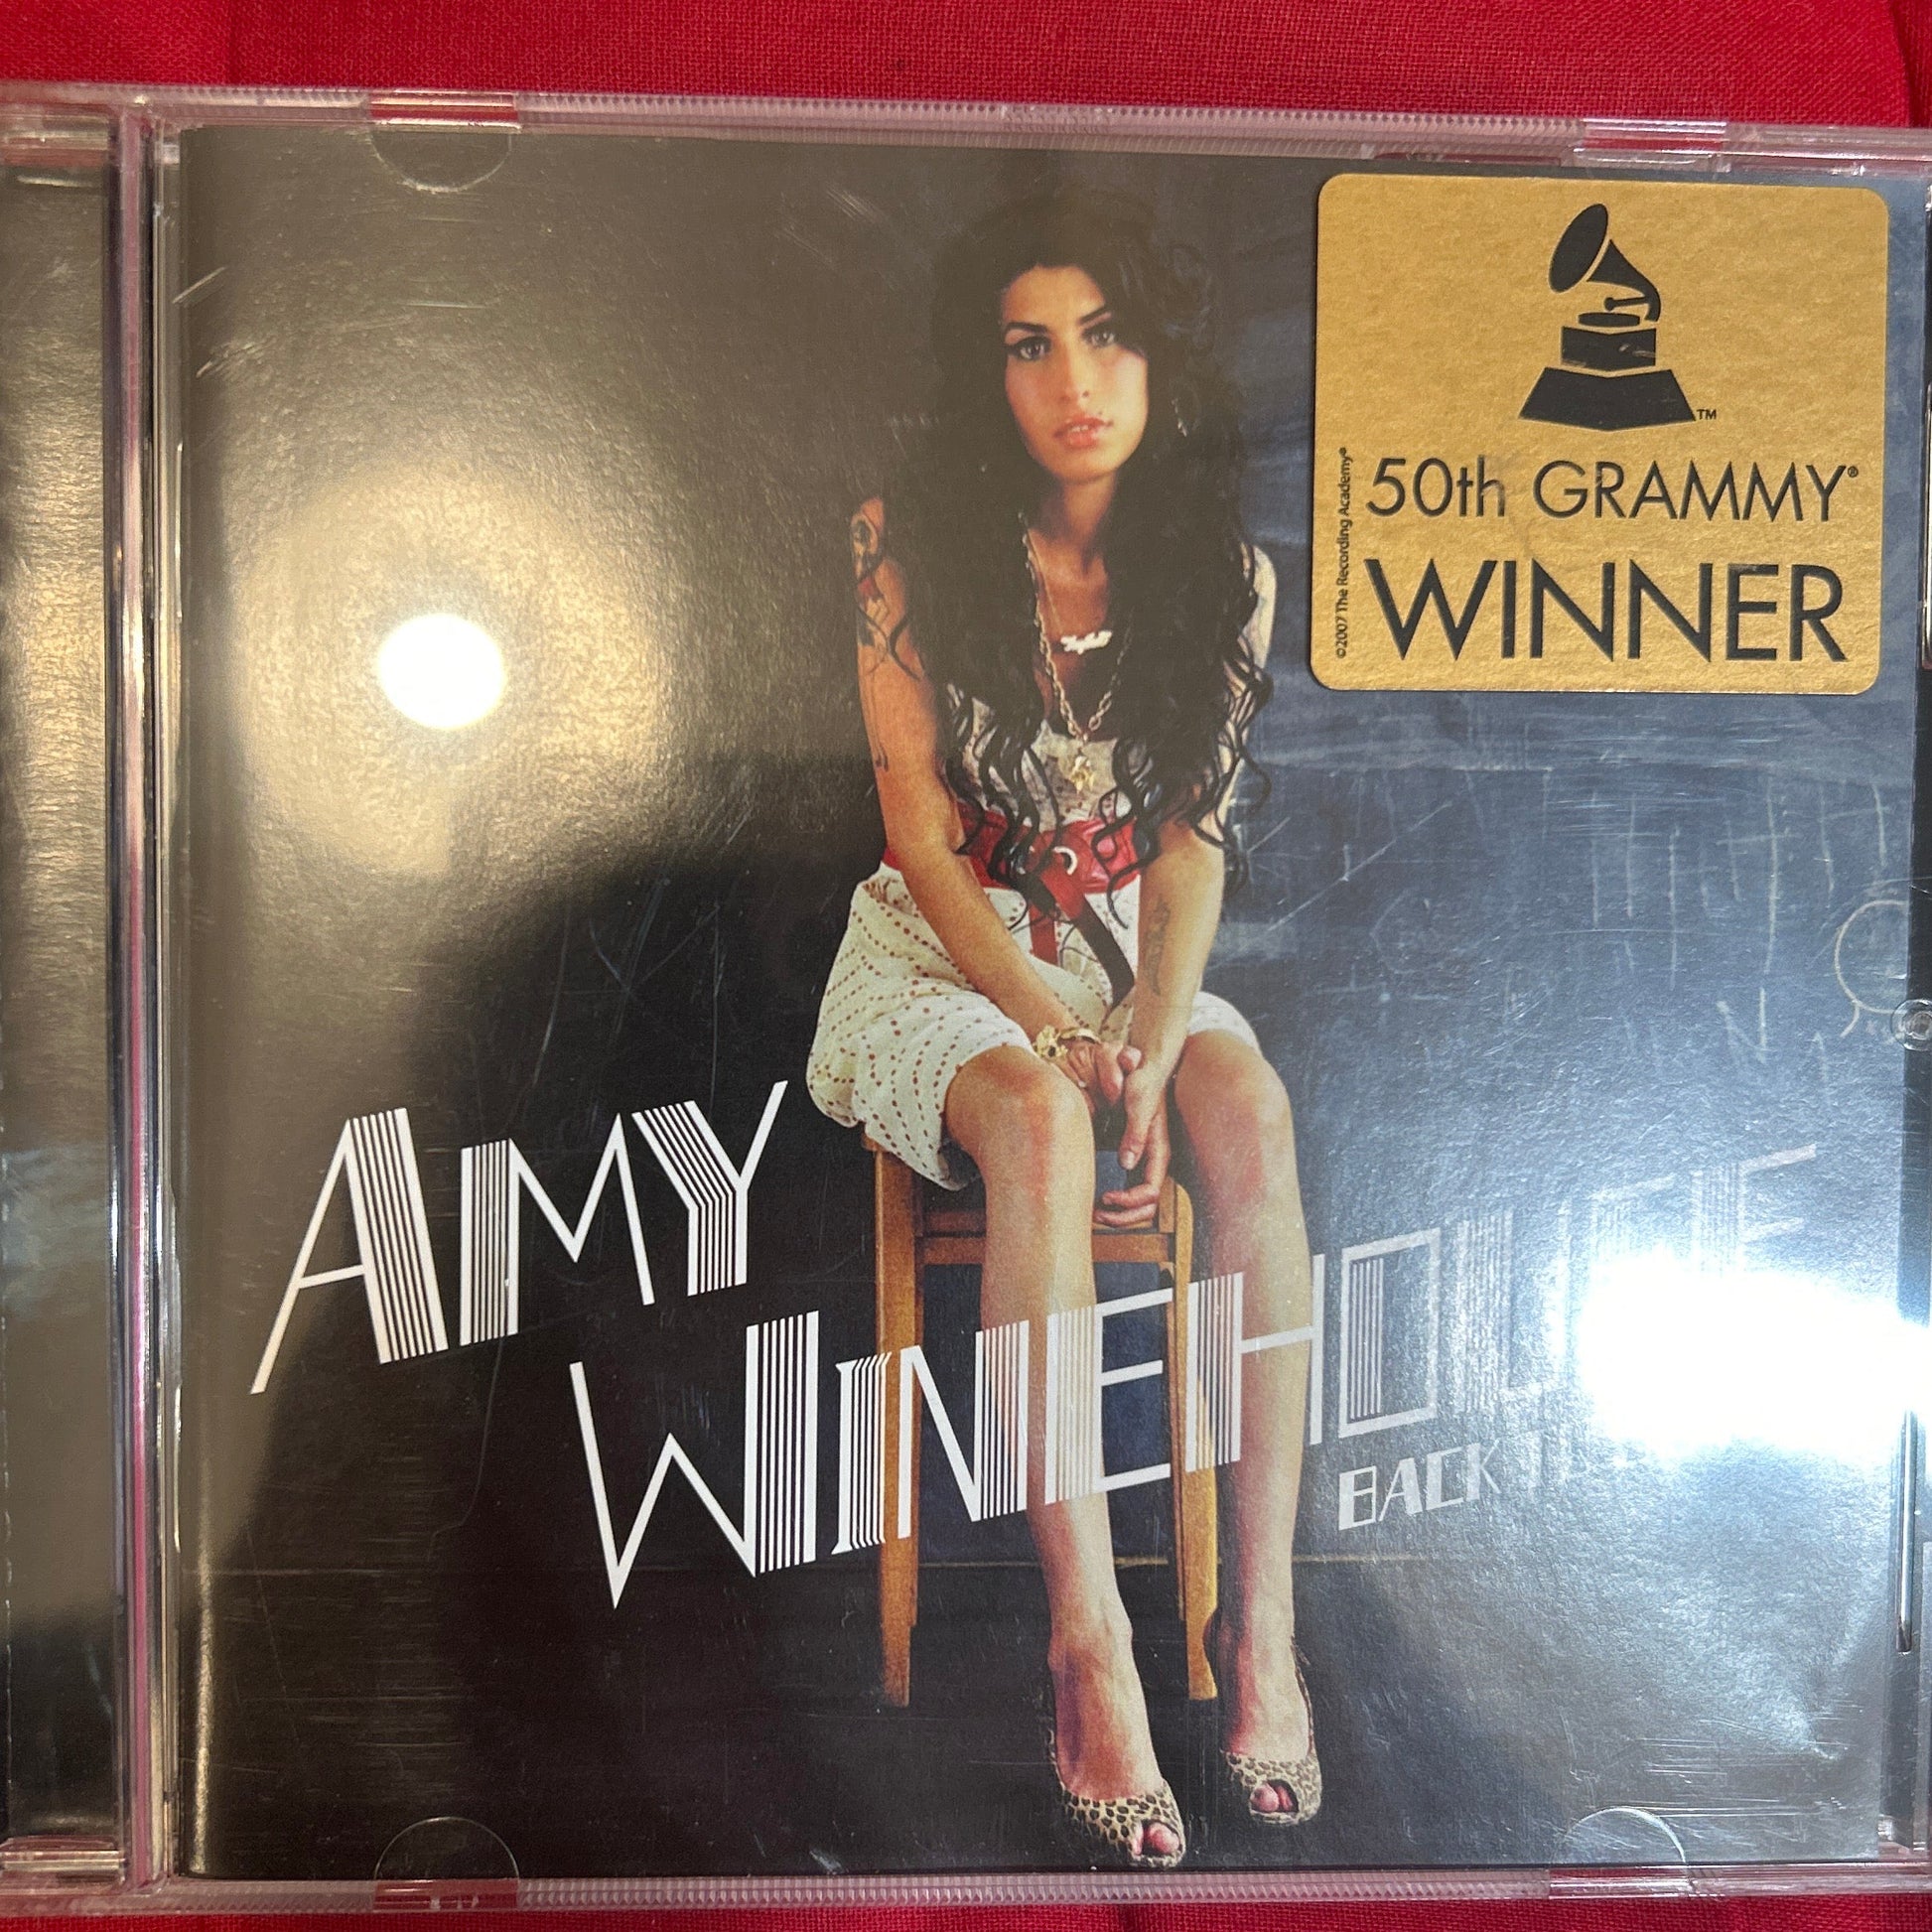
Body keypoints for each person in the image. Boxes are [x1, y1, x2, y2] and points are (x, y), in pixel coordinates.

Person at [807, 185, 1316, 1868]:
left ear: (1162, 358)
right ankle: (1087, 1643)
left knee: (1248, 1112)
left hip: (1114, 962)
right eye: (1029, 345)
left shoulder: (1222, 576)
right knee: (1033, 1120)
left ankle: (1260, 1629)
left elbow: (1188, 851)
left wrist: (1150, 1042)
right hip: (939, 959)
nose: (1073, 381)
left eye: (1105, 336)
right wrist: (1051, 1032)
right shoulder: (902, 541)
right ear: (990, 373)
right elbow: (915, 836)